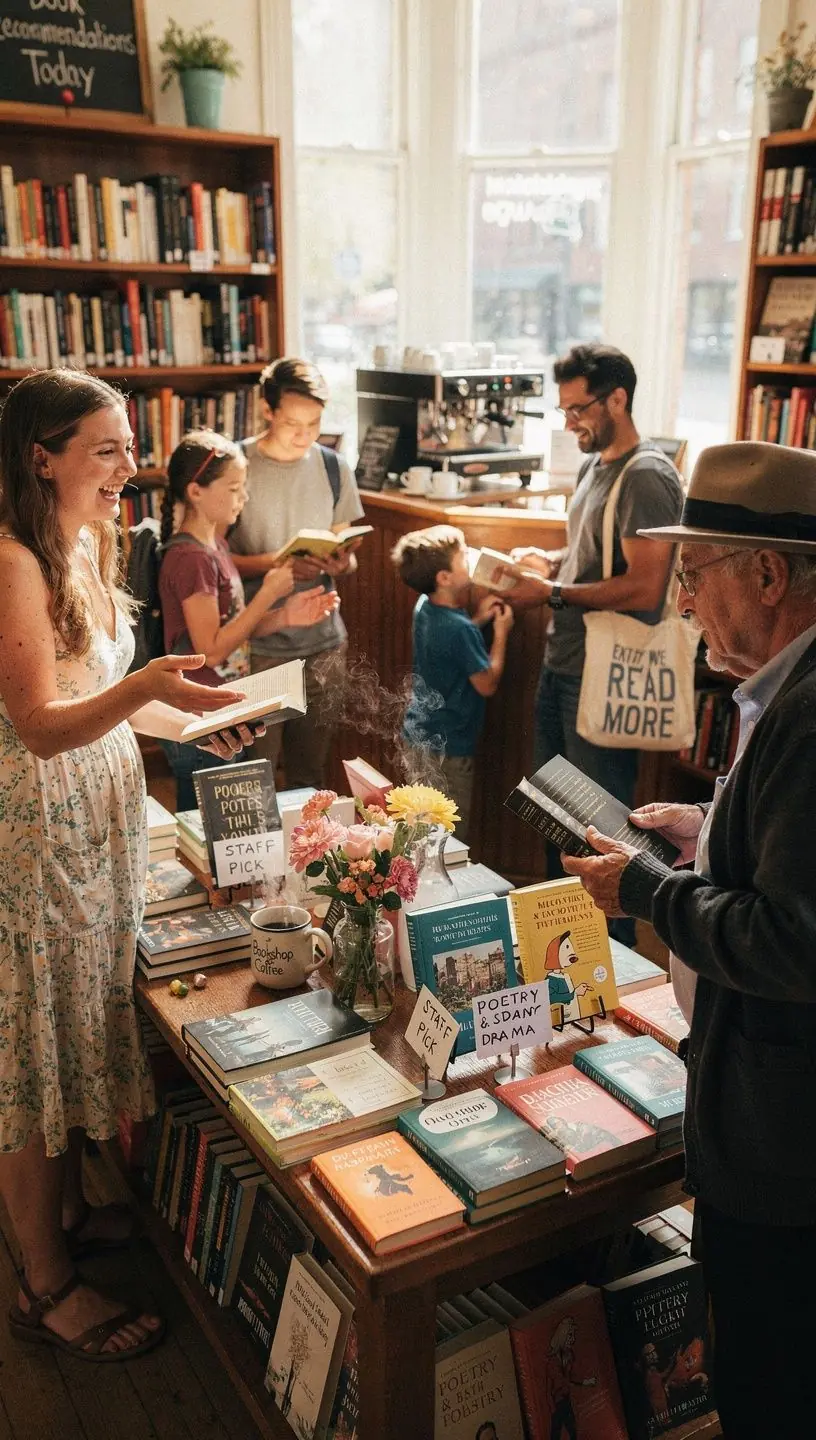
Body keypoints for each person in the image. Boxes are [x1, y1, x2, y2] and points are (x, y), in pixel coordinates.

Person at [0, 370, 260, 1362]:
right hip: (33, 835)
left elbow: (103, 694)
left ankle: (61, 1219)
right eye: (104, 450)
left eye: (126, 447)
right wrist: (148, 687)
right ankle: (45, 1286)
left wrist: (195, 710)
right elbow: (36, 721)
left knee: (72, 1024)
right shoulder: (14, 558)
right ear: (43, 457)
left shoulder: (86, 540)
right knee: (29, 1049)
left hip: (99, 820)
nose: (127, 468)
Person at [560, 441, 816, 1439]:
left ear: (766, 574)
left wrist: (649, 891)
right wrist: (707, 841)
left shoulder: (805, 716)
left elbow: (796, 942)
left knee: (767, 1384)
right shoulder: (781, 695)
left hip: (784, 1143)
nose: (680, 605)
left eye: (694, 575)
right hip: (768, 1120)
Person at [508, 344, 683, 943]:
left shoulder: (649, 476)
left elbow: (645, 587)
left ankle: (620, 973)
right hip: (565, 665)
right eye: (562, 410)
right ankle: (566, 960)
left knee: (602, 840)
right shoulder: (592, 467)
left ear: (618, 399)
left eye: (578, 408)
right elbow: (592, 559)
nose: (569, 422)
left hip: (603, 678)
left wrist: (551, 592)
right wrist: (548, 563)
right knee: (555, 822)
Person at [158, 429, 335, 808]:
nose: (244, 498)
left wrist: (284, 615)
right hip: (199, 715)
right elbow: (210, 651)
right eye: (235, 488)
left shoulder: (215, 546)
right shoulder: (192, 560)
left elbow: (233, 628)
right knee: (207, 829)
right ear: (195, 492)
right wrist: (269, 593)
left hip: (224, 712)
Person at [229, 357, 363, 788]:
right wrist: (277, 563)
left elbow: (347, 550)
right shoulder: (235, 467)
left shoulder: (332, 466)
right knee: (257, 779)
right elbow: (208, 560)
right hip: (259, 645)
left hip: (324, 645)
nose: (305, 434)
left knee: (310, 777)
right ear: (267, 411)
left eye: (315, 422)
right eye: (292, 423)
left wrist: (341, 561)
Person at [391, 524, 514, 841]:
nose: (471, 560)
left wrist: (478, 622)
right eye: (464, 558)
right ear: (444, 578)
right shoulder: (461, 629)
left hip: (417, 736)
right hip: (450, 749)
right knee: (449, 841)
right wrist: (500, 634)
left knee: (419, 830)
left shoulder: (425, 607)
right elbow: (487, 683)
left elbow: (449, 646)